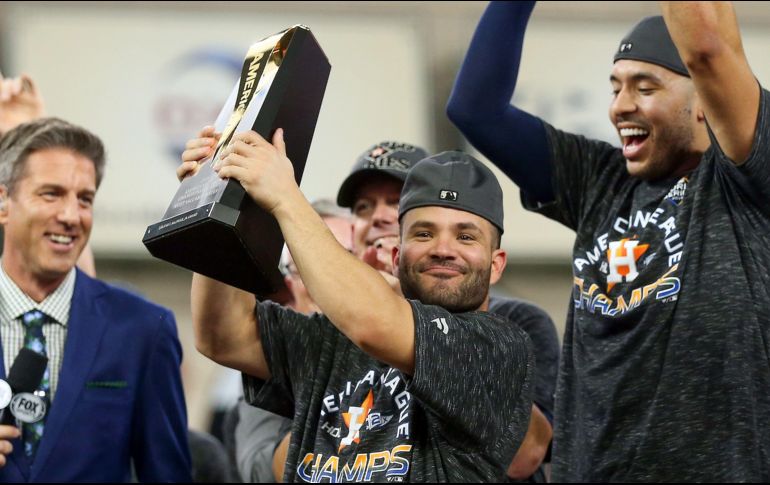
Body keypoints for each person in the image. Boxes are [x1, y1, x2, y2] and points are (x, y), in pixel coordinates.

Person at [448, 1, 769, 481]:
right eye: (616, 87)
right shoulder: (601, 181)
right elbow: (475, 111)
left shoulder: (744, 178)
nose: (620, 106)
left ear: (705, 102)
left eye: (646, 87)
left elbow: (706, 49)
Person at [183, 132, 534, 481]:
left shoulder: (499, 347)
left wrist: (284, 197)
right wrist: (226, 199)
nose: (443, 248)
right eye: (423, 234)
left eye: (466, 236)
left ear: (497, 264)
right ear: (396, 256)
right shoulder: (331, 339)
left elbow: (374, 324)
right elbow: (222, 335)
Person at [336, 141, 558, 481]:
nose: (379, 216)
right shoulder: (332, 330)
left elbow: (524, 456)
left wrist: (403, 304)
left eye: (395, 203)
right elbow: (276, 461)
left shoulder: (516, 322)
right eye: (364, 206)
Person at [0, 118, 191, 482]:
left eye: (84, 199)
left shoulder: (143, 330)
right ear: (4, 203)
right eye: (51, 194)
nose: (71, 216)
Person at [232, 199, 353, 483]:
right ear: (290, 285)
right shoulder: (267, 362)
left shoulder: (399, 347)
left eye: (342, 258)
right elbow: (258, 471)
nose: (323, 278)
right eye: (305, 265)